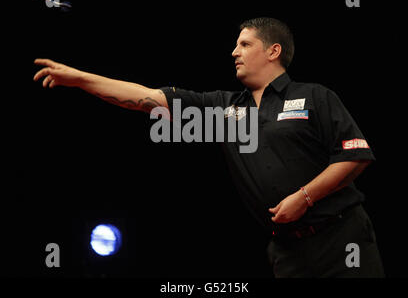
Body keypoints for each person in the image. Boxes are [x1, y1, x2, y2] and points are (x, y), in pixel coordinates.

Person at [33, 17, 385, 278]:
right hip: (287, 251)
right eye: (236, 45)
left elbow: (355, 156)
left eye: (245, 44)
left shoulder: (315, 96)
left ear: (273, 51)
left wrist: (304, 197)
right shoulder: (224, 109)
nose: (234, 52)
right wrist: (80, 79)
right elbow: (143, 99)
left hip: (342, 241)